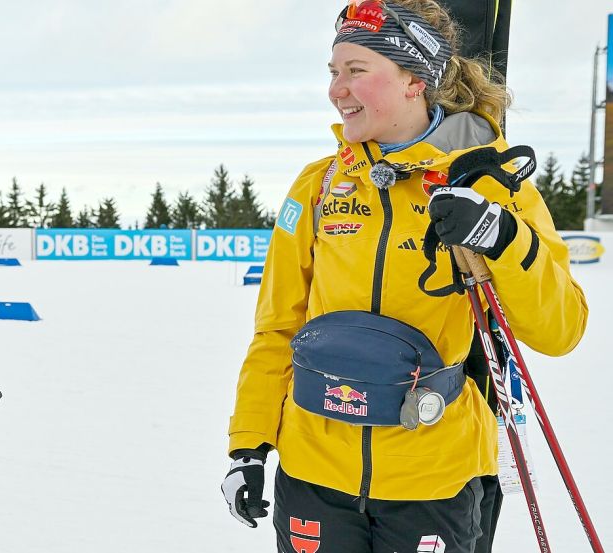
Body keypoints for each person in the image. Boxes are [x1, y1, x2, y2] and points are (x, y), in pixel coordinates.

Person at [220, 1, 588, 552]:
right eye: (333, 72)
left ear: (415, 79)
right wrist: (248, 446)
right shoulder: (318, 186)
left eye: (356, 71)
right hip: (313, 473)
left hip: (434, 478)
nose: (336, 89)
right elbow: (278, 328)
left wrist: (503, 237)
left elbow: (561, 330)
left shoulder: (489, 184)